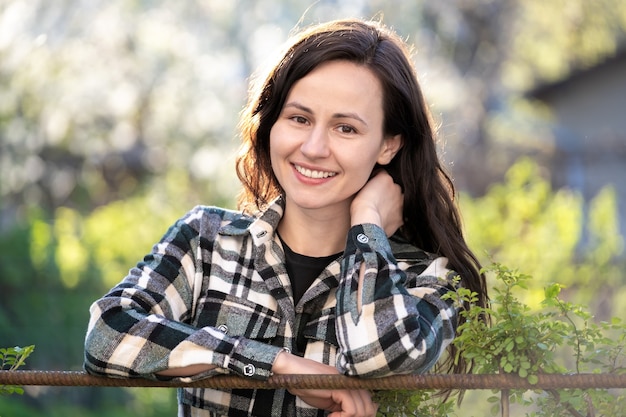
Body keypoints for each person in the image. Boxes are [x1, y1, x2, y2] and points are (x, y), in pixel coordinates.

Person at [84, 17, 488, 417]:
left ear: (387, 145)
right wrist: (276, 365)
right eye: (299, 118)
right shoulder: (205, 241)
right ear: (272, 122)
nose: (313, 148)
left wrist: (367, 222)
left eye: (345, 128)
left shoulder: (431, 278)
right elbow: (106, 336)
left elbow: (377, 357)